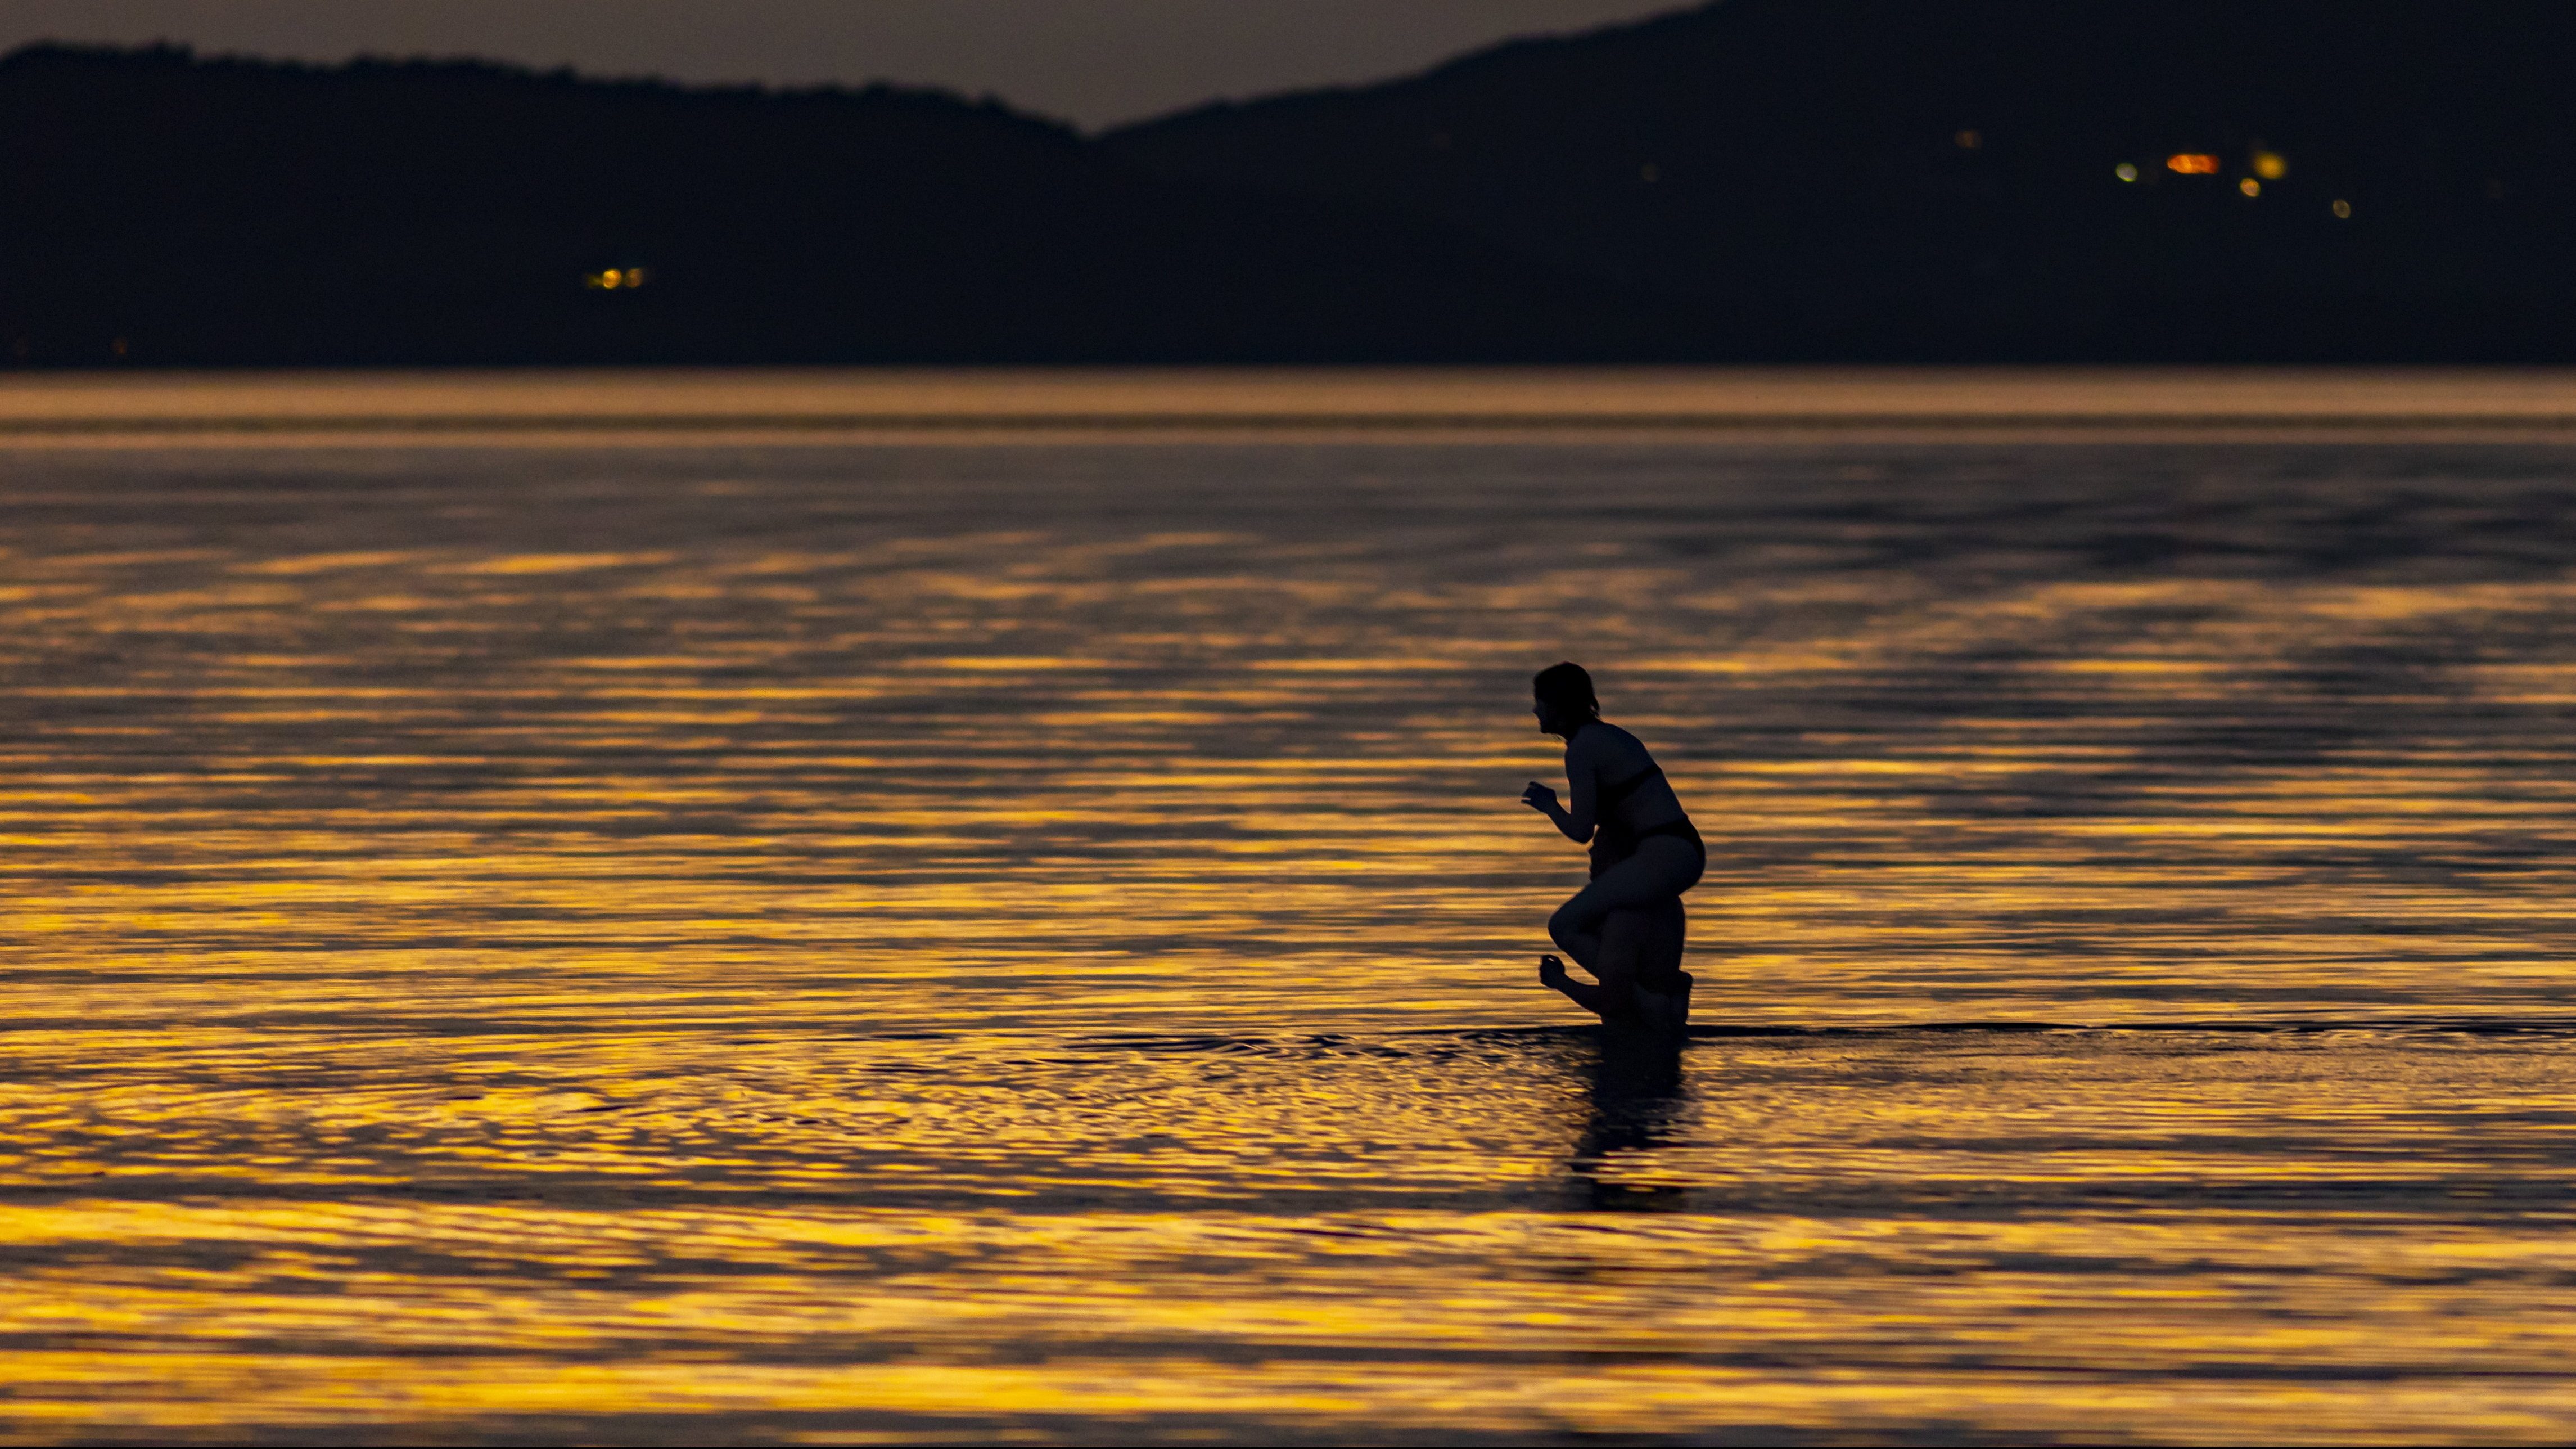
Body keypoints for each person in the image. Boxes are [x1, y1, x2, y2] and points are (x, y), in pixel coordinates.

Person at [1520, 662, 1704, 1032]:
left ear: (1556, 705)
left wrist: (1549, 806)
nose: (1535, 710)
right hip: (1678, 850)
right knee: (1637, 946)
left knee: (1563, 925)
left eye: (1539, 701)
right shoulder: (1613, 738)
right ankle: (1661, 998)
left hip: (1664, 853)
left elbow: (1581, 830)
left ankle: (1646, 1003)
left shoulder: (1582, 748)